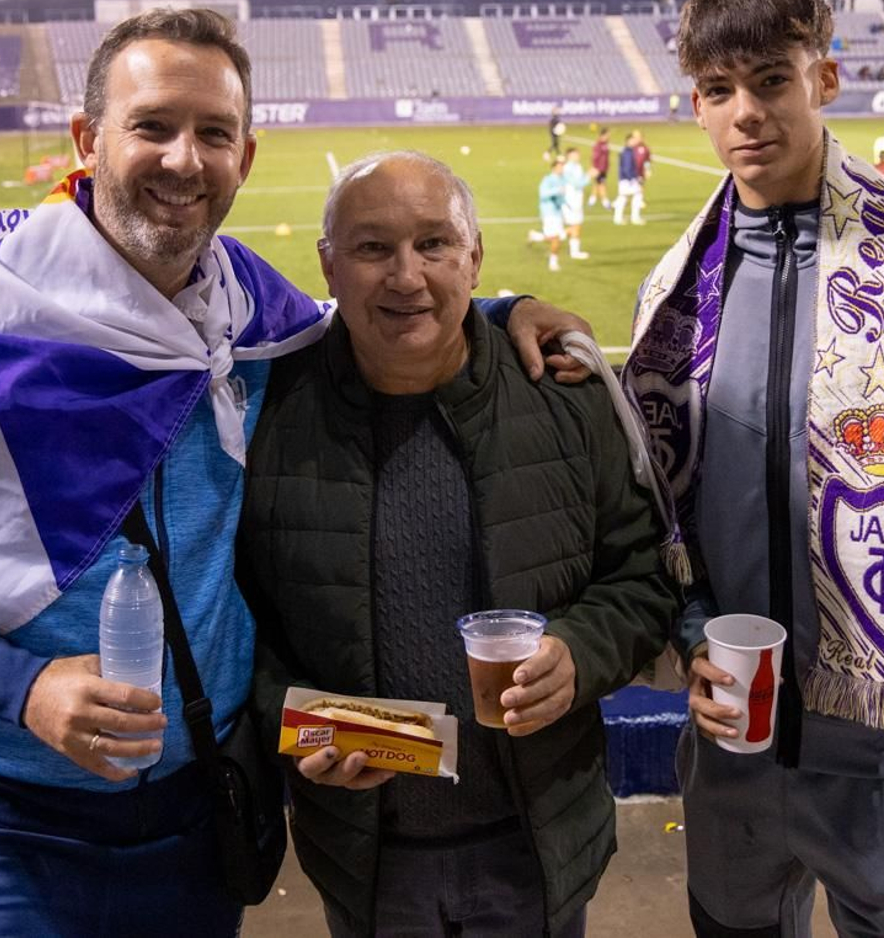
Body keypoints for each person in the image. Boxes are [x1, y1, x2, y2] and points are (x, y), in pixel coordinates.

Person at [0, 7, 583, 936]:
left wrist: (498, 309)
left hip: (192, 811)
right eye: (153, 126)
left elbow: (375, 320)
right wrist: (23, 687)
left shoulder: (247, 307)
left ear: (244, 159)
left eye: (214, 133)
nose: (185, 160)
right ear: (89, 140)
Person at [630, 0, 884, 937]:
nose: (745, 113)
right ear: (695, 104)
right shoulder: (673, 301)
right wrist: (690, 647)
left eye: (770, 78)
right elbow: (659, 525)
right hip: (728, 764)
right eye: (718, 90)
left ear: (825, 79)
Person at [237, 150, 678, 938]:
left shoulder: (564, 400)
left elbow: (643, 578)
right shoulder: (269, 422)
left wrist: (579, 651)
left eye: (435, 243)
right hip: (368, 859)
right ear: (328, 267)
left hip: (538, 846)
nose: (407, 276)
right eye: (373, 248)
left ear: (475, 258)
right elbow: (240, 631)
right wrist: (302, 726)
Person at [562, 147, 592, 260]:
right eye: (576, 154)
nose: (578, 156)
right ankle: (575, 252)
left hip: (577, 200)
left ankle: (540, 236)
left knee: (575, 226)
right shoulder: (567, 168)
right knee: (576, 226)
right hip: (571, 201)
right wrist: (589, 175)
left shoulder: (578, 167)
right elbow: (577, 184)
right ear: (569, 156)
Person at [614, 132, 646, 226]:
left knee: (623, 197)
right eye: (633, 140)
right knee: (636, 195)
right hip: (628, 180)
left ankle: (618, 218)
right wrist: (633, 178)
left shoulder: (626, 151)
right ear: (628, 141)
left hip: (624, 178)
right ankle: (635, 218)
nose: (635, 142)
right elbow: (627, 167)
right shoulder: (627, 152)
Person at [589, 126, 612, 208]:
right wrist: (594, 167)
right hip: (599, 169)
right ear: (604, 135)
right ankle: (605, 201)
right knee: (602, 184)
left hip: (603, 168)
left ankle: (592, 199)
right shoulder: (598, 145)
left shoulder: (605, 144)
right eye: (608, 134)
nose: (609, 136)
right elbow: (595, 157)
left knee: (597, 183)